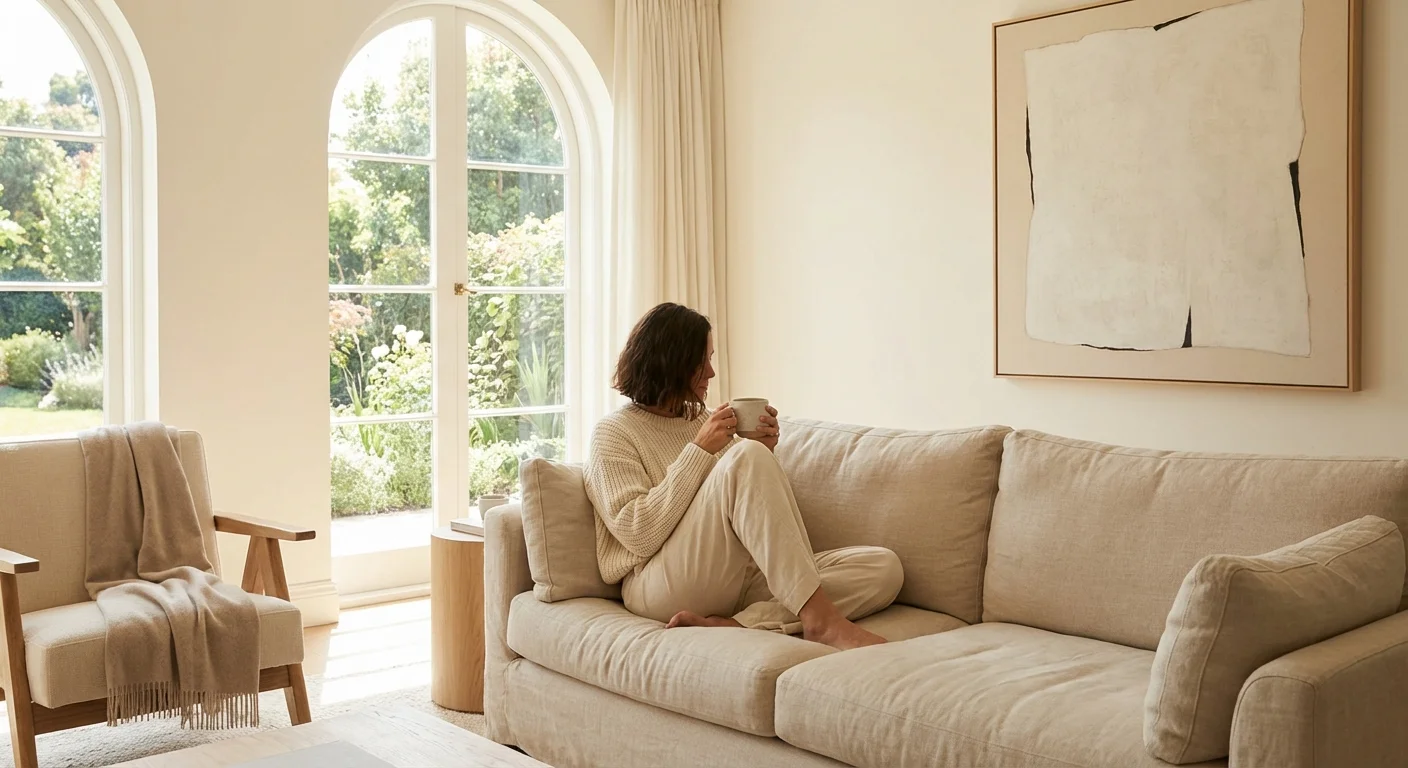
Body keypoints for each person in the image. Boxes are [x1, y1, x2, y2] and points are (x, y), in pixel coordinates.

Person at [584, 302, 902, 650]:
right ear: (671, 363)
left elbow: (748, 518)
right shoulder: (613, 433)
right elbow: (638, 534)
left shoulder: (700, 421)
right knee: (745, 457)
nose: (711, 373)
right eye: (701, 362)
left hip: (736, 578)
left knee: (882, 567)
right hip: (658, 585)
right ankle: (820, 621)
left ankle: (738, 623)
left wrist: (763, 452)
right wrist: (702, 451)